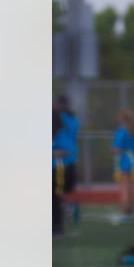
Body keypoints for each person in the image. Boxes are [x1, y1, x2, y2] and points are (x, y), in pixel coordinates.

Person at [52, 96, 80, 234]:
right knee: (58, 193)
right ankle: (68, 206)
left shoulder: (57, 117)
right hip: (70, 161)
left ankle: (56, 227)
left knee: (53, 195)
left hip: (58, 162)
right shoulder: (73, 119)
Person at [112, 109, 134, 219]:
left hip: (124, 160)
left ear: (123, 119)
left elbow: (117, 148)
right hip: (133, 160)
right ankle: (133, 209)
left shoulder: (122, 131)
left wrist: (116, 153)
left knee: (124, 187)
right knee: (133, 187)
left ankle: (124, 211)